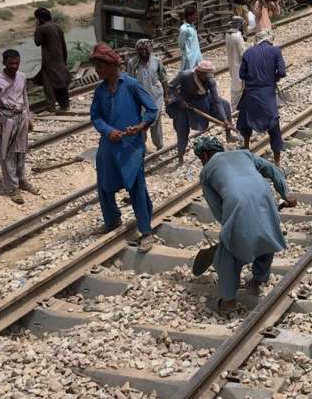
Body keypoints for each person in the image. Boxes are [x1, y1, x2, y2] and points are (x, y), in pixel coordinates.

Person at [192, 136, 296, 315]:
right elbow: (272, 169)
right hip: (265, 197)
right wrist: (286, 193)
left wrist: (230, 229)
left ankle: (228, 300)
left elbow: (217, 208)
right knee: (266, 236)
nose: (202, 162)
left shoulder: (206, 172)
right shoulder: (244, 154)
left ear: (206, 155)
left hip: (237, 203)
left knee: (228, 253)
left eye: (201, 158)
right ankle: (256, 282)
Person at [89, 43, 157, 252]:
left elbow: (152, 109)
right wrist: (108, 131)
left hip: (131, 145)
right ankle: (112, 220)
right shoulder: (100, 91)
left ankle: (146, 232)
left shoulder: (130, 84)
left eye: (100, 66)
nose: (97, 71)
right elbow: (96, 117)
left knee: (136, 185)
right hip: (108, 145)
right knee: (104, 185)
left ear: (111, 65)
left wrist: (141, 126)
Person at [0, 49, 37, 204]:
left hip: (21, 117)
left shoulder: (22, 77)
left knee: (21, 151)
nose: (14, 66)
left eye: (17, 63)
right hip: (6, 119)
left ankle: (21, 179)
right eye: (11, 63)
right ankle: (12, 187)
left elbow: (25, 97)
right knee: (7, 154)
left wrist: (28, 117)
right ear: (4, 63)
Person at [167, 61, 233, 163]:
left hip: (203, 101)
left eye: (210, 74)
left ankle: (228, 134)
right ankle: (180, 156)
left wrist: (225, 120)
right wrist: (181, 100)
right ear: (199, 73)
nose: (209, 76)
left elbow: (216, 101)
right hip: (184, 105)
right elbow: (171, 87)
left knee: (225, 105)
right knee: (182, 130)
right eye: (206, 74)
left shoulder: (210, 81)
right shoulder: (185, 75)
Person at [238, 30, 286, 166]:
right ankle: (277, 162)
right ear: (268, 39)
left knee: (246, 121)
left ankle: (246, 147)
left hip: (251, 93)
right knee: (274, 126)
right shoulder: (275, 51)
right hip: (267, 94)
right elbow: (282, 72)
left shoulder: (248, 53)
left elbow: (242, 74)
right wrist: (273, 78)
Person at [126, 38, 169, 151]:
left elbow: (164, 79)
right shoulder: (132, 63)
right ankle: (141, 145)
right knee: (141, 122)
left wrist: (166, 96)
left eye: (146, 49)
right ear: (137, 50)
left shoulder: (157, 61)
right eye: (141, 50)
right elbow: (129, 81)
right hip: (139, 98)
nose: (144, 52)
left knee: (155, 121)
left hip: (156, 96)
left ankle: (159, 145)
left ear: (151, 49)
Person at [32, 8, 71, 113]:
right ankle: (65, 105)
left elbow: (37, 42)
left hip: (49, 62)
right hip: (60, 60)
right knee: (61, 83)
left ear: (40, 19)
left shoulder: (42, 29)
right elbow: (63, 45)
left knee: (48, 85)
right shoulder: (57, 26)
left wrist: (37, 28)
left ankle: (51, 107)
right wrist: (64, 60)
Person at [225, 16, 248, 107]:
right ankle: (236, 106)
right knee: (239, 86)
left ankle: (235, 105)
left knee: (234, 84)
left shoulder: (227, 35)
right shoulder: (237, 36)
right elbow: (242, 54)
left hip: (231, 64)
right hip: (239, 65)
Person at [178, 6, 202, 72]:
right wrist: (186, 53)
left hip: (196, 55)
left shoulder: (192, 26)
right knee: (188, 74)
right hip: (189, 57)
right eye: (194, 15)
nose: (196, 17)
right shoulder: (184, 29)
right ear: (189, 16)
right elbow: (181, 44)